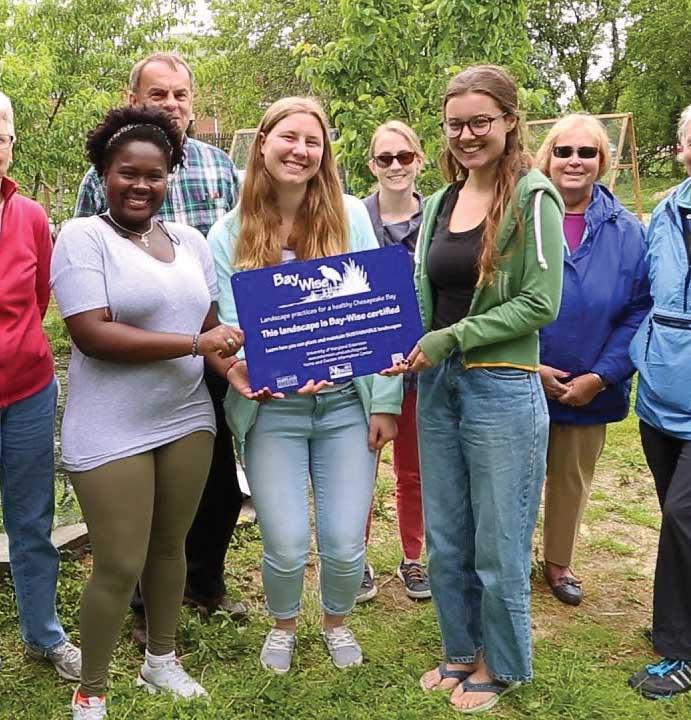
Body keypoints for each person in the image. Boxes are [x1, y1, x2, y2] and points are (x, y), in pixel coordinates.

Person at [51, 106, 244, 720]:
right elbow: (92, 334)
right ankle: (93, 690)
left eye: (154, 174)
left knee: (171, 548)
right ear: (104, 174)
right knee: (118, 562)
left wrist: (239, 371)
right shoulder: (83, 237)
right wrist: (195, 345)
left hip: (187, 416)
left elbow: (209, 327)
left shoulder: (189, 242)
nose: (141, 184)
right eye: (126, 173)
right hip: (111, 426)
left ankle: (162, 659)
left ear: (170, 177)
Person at [384, 65, 564, 713]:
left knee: (498, 539)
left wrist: (448, 339)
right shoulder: (437, 202)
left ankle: (501, 661)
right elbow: (418, 298)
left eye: (480, 121)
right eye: (455, 124)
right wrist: (393, 343)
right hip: (437, 390)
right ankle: (460, 649)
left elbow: (540, 304)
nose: (466, 135)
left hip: (501, 389)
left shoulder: (533, 196)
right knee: (449, 534)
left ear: (510, 121)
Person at [208, 97, 402, 674]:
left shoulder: (351, 216)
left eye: (312, 141)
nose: (300, 150)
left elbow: (380, 314)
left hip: (347, 406)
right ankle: (284, 625)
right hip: (274, 412)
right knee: (287, 542)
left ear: (325, 152)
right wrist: (253, 366)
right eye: (288, 137)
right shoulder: (229, 231)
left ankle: (336, 621)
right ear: (262, 143)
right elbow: (229, 319)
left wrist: (385, 403)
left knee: (344, 542)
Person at [534, 114, 651, 606]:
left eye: (587, 153)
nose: (575, 161)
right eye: (564, 151)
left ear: (604, 161)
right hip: (522, 376)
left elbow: (641, 309)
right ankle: (510, 559)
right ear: (548, 158)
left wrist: (601, 376)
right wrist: (526, 365)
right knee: (511, 477)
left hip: (590, 383)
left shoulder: (628, 231)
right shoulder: (523, 217)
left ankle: (558, 562)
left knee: (571, 478)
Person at [0, 92, 81, 680]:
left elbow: (38, 303)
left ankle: (42, 634)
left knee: (31, 518)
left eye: (0, 133)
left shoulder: (29, 216)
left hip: (25, 389)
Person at [628, 104, 691, 700]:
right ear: (682, 149)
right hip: (662, 398)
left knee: (682, 516)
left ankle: (680, 651)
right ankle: (675, 621)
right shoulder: (666, 214)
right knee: (676, 518)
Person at [358, 121, 430, 602]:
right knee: (359, 464)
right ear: (372, 165)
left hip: (424, 361)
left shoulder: (441, 216)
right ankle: (352, 558)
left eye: (404, 156)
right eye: (385, 159)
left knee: (414, 469)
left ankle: (413, 557)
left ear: (418, 160)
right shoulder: (355, 217)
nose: (396, 166)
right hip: (367, 362)